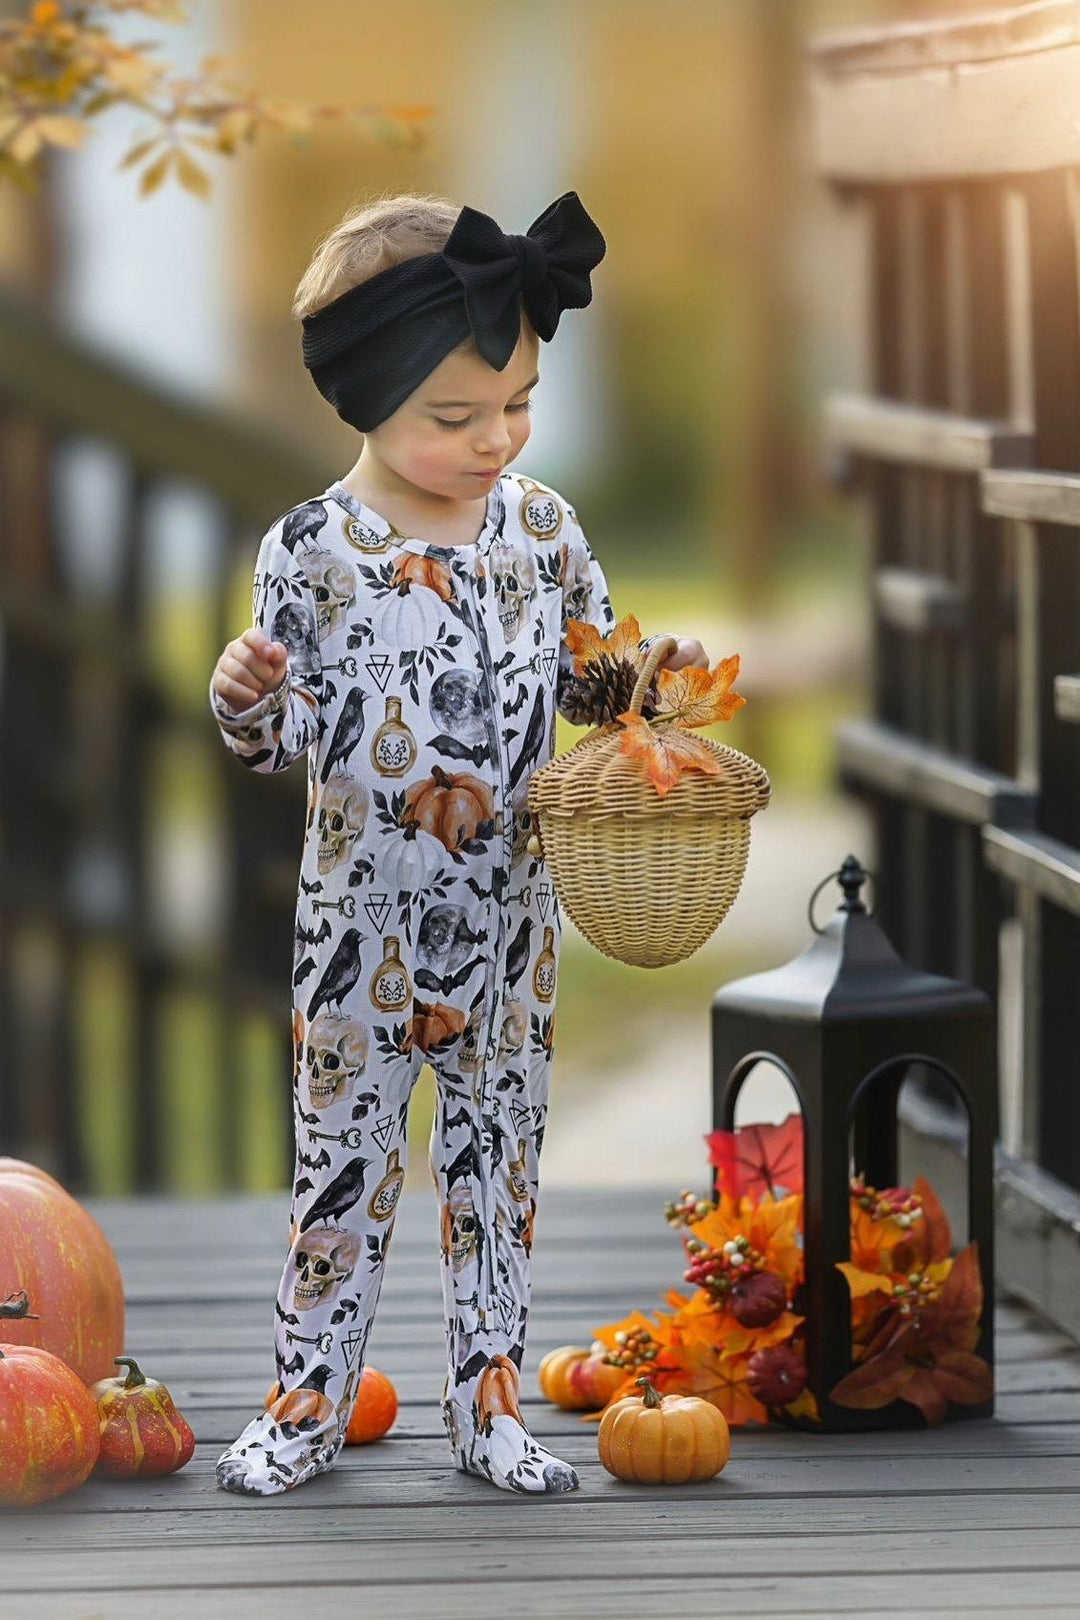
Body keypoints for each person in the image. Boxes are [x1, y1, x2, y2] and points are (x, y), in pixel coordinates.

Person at [208, 190, 709, 1496]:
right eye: (457, 417)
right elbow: (289, 741)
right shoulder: (313, 551)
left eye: (520, 403)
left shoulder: (543, 532)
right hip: (358, 940)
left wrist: (651, 696)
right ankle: (304, 1407)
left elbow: (597, 682)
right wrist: (250, 698)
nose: (498, 438)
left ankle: (490, 1413)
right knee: (343, 1176)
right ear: (367, 398)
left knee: (500, 1176)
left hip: (511, 936)